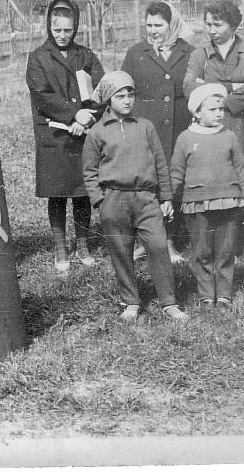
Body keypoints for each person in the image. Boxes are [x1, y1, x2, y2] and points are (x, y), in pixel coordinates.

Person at [82, 71, 188, 322]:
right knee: (121, 250)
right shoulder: (97, 132)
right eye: (120, 96)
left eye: (130, 95)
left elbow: (161, 164)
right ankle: (130, 301)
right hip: (114, 200)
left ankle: (169, 302)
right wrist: (100, 201)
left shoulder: (145, 126)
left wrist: (165, 198)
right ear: (109, 100)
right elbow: (89, 171)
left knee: (158, 246)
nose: (127, 100)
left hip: (146, 198)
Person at [183, 0, 244, 258]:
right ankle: (226, 244)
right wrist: (234, 87)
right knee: (221, 180)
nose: (211, 30)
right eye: (208, 24)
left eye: (218, 24)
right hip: (215, 128)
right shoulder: (199, 55)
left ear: (234, 25)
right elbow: (189, 87)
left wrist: (212, 91)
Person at [25, 0, 105, 273]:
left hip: (83, 134)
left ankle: (82, 243)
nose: (62, 36)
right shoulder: (38, 58)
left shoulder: (86, 56)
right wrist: (72, 115)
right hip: (54, 135)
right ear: (49, 27)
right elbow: (43, 95)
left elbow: (101, 90)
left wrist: (87, 117)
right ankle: (61, 246)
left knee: (82, 191)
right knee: (57, 193)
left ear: (76, 28)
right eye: (57, 30)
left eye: (67, 31)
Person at [171, 84, 244, 313]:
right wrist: (166, 200)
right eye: (212, 109)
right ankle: (205, 295)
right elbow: (176, 173)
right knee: (201, 252)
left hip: (229, 203)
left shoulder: (229, 136)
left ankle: (223, 295)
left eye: (221, 108)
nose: (219, 113)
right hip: (197, 204)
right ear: (197, 112)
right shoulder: (185, 138)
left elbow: (242, 171)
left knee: (225, 251)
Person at [120, 1, 194, 264]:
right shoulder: (135, 53)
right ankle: (145, 241)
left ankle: (170, 240)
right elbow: (124, 89)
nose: (152, 31)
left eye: (158, 25)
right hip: (146, 131)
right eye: (149, 25)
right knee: (147, 184)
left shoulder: (189, 52)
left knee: (173, 184)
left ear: (171, 25)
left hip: (178, 129)